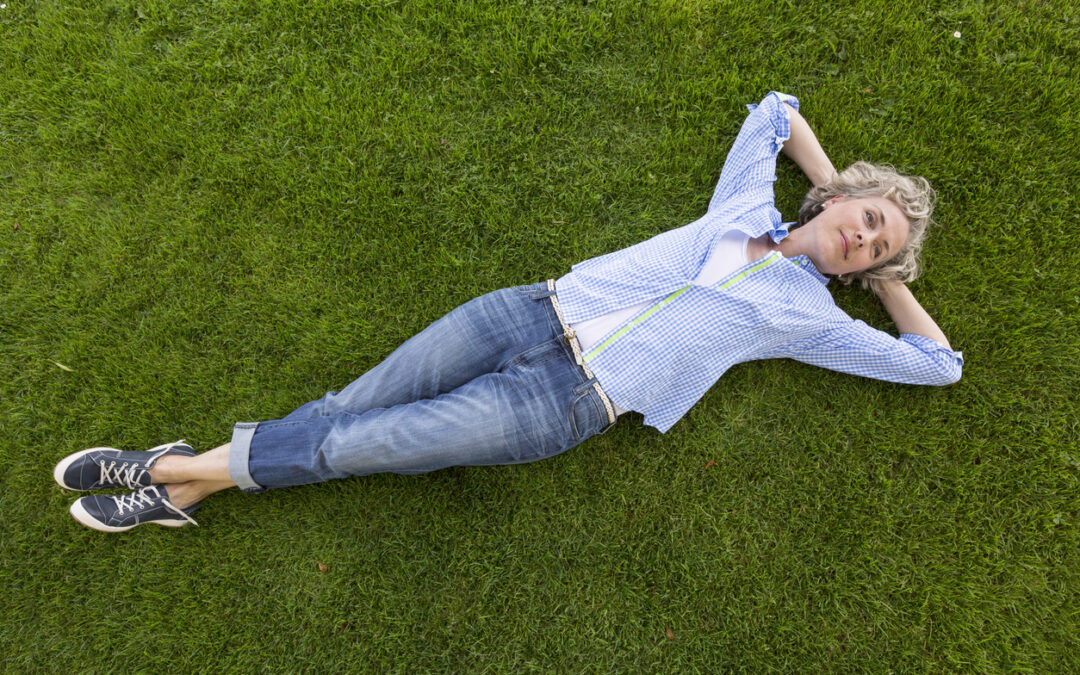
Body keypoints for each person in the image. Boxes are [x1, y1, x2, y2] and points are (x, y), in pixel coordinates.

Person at [53, 92, 963, 532]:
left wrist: (884, 282)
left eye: (878, 249)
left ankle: (165, 468)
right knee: (343, 407)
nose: (865, 240)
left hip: (564, 404)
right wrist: (831, 184)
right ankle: (183, 488)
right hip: (524, 313)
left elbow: (938, 363)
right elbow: (777, 109)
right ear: (843, 198)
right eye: (869, 220)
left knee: (349, 445)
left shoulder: (811, 316)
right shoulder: (742, 206)